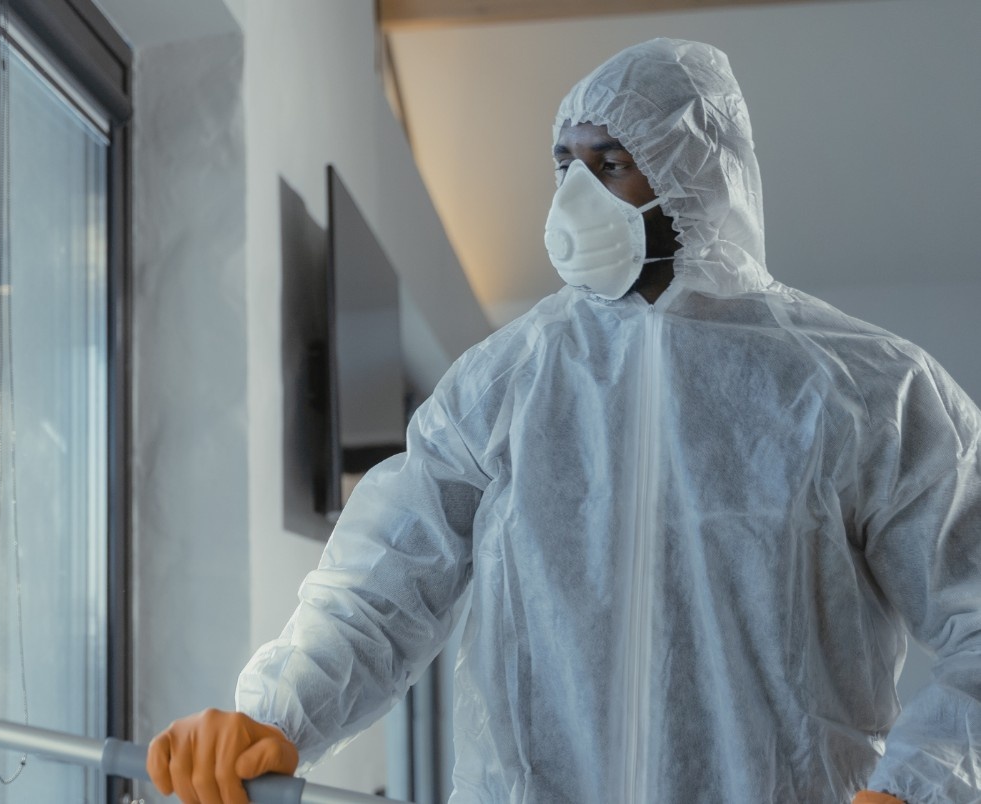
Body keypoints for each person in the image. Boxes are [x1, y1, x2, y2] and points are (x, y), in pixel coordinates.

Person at [148, 38, 981, 804]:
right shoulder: (506, 383)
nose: (576, 191)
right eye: (564, 163)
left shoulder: (868, 390)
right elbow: (381, 581)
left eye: (610, 162)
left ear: (694, 170)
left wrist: (921, 784)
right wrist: (276, 717)